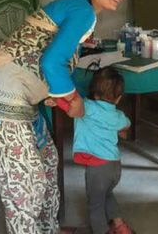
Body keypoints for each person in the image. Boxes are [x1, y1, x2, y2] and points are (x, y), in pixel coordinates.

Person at [0, 0, 128, 234]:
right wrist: (72, 100)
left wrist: (59, 98)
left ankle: (48, 229)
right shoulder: (83, 11)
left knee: (49, 164)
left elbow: (46, 61)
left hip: (20, 99)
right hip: (0, 99)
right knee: (28, 182)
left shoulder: (81, 9)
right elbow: (52, 62)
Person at [50, 67, 133, 234]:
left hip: (98, 168)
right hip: (115, 165)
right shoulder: (118, 115)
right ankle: (120, 226)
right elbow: (126, 126)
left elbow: (68, 105)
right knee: (107, 194)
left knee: (95, 205)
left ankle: (101, 231)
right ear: (118, 99)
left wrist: (54, 99)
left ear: (94, 93)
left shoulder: (86, 107)